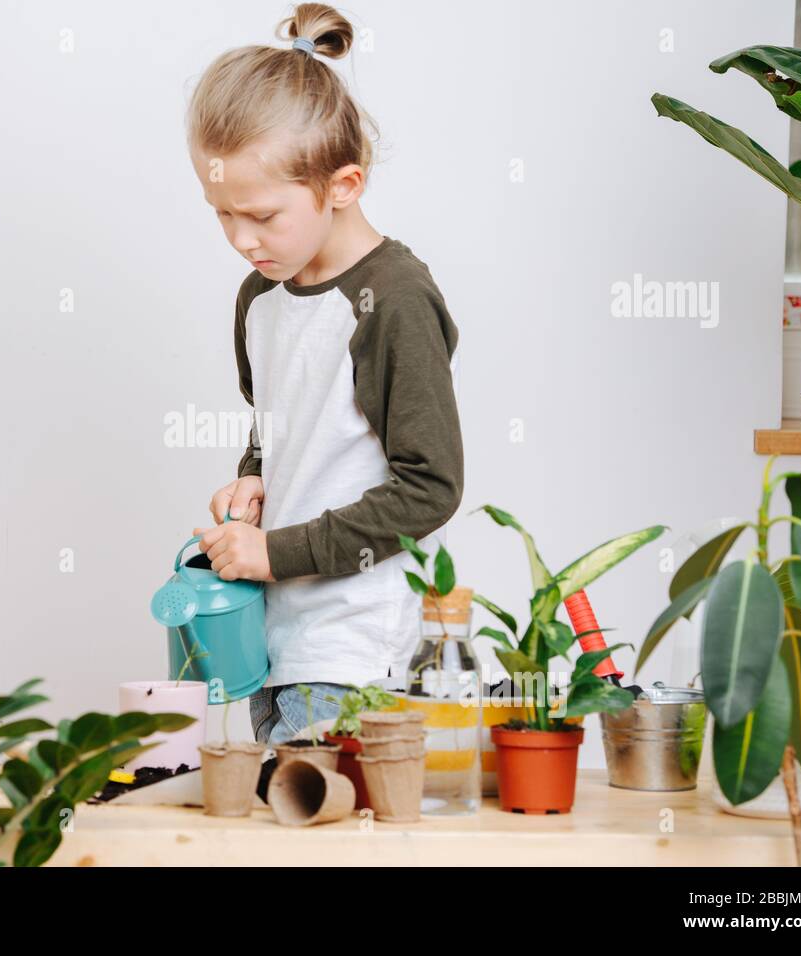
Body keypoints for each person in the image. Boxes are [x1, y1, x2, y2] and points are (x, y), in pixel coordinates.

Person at [185, 3, 465, 745]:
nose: (242, 239)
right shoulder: (262, 297)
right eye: (221, 214)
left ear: (344, 184)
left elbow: (429, 486)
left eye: (262, 215)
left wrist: (275, 552)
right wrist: (252, 478)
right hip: (270, 639)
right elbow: (286, 429)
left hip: (349, 648)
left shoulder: (394, 301)